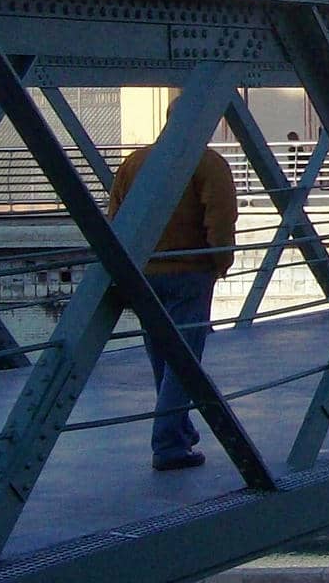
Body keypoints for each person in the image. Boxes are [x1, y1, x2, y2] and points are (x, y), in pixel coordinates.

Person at [108, 128, 238, 472]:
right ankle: (169, 443)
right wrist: (221, 262)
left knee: (161, 355)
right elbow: (220, 217)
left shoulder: (134, 162)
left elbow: (117, 215)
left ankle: (179, 428)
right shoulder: (208, 163)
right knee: (184, 358)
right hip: (189, 272)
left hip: (144, 271)